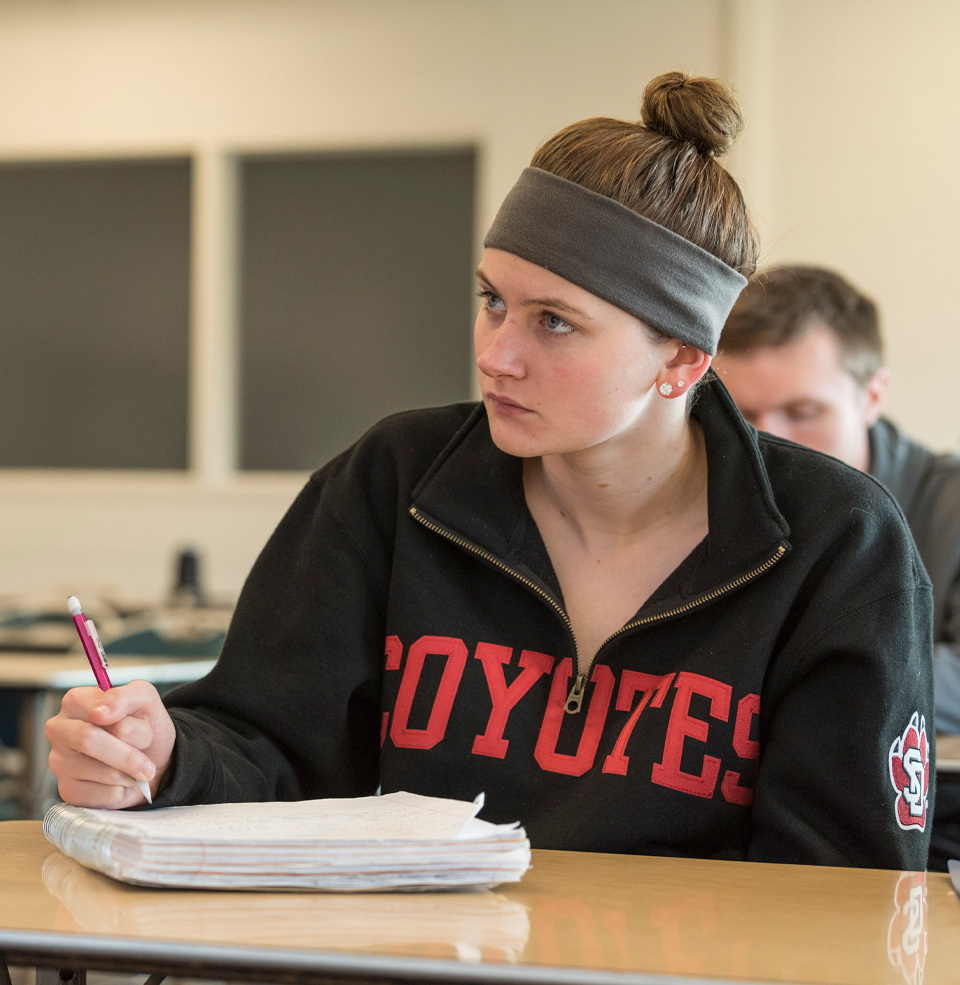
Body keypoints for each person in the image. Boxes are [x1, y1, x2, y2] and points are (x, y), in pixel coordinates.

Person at [45, 73, 934, 869]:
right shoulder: (395, 483)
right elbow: (270, 745)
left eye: (554, 322)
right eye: (493, 301)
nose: (496, 354)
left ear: (681, 360)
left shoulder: (835, 544)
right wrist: (161, 756)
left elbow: (841, 889)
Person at [715, 264, 960, 869]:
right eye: (741, 416)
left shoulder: (951, 507)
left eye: (802, 411)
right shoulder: (696, 506)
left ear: (872, 395)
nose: (766, 444)